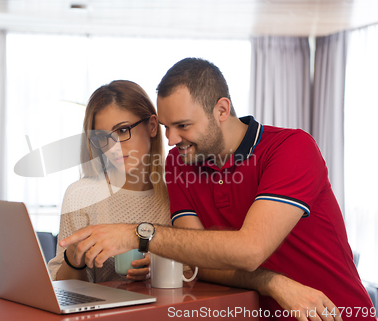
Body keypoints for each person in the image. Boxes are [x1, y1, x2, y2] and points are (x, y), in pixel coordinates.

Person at [60, 59, 376, 320]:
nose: (171, 139)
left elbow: (250, 249)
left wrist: (138, 234)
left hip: (336, 313)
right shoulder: (179, 164)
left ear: (222, 110)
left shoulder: (292, 148)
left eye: (183, 125)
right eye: (168, 128)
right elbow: (198, 262)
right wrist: (271, 282)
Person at [48, 80, 171, 283]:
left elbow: (194, 272)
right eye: (103, 137)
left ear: (152, 126)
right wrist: (73, 256)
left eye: (122, 130)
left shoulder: (177, 193)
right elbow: (64, 289)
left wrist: (160, 264)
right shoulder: (81, 196)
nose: (113, 147)